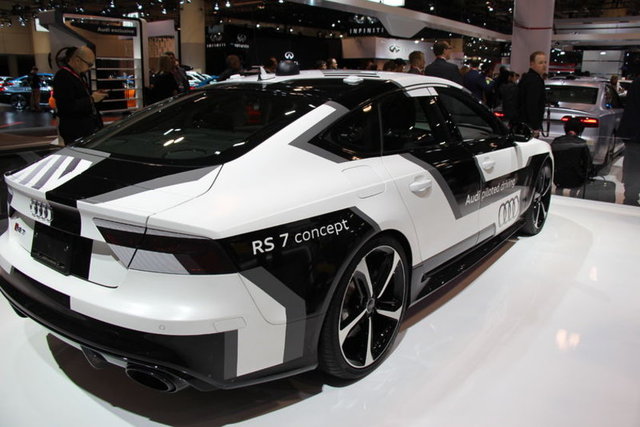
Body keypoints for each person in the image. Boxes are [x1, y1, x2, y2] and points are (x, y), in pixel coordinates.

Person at [53, 46, 108, 145]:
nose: (90, 68)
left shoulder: (79, 75)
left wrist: (96, 96)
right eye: (89, 64)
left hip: (88, 128)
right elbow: (67, 106)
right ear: (77, 60)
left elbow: (81, 97)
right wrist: (92, 99)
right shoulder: (63, 76)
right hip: (76, 131)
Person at [551, 118, 592, 195]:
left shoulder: (557, 141)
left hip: (558, 177)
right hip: (576, 177)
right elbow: (587, 163)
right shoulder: (581, 143)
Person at [617, 76, 640, 206]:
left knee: (632, 165)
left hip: (632, 134)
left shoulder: (636, 82)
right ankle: (631, 197)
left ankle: (630, 197)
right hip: (635, 135)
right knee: (633, 166)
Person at [517, 51, 548, 137]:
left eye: (545, 62)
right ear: (532, 64)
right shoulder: (534, 81)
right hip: (528, 125)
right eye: (540, 63)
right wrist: (535, 127)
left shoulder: (528, 78)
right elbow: (532, 105)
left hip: (523, 123)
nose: (544, 65)